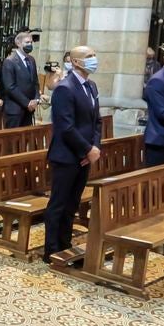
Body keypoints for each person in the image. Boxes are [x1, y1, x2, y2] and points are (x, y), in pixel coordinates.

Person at [43, 45, 103, 260]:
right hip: (66, 156)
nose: (94, 59)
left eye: (94, 55)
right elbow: (65, 127)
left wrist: (94, 147)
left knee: (72, 204)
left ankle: (64, 244)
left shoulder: (91, 86)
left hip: (84, 157)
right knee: (59, 204)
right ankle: (51, 249)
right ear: (76, 62)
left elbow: (97, 121)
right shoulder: (64, 88)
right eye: (89, 56)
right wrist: (86, 149)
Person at [0, 31, 39, 128]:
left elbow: (35, 82)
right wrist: (27, 103)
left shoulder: (31, 60)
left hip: (29, 109)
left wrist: (35, 99)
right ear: (18, 43)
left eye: (31, 42)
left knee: (25, 140)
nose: (30, 44)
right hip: (15, 109)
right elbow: (10, 87)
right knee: (13, 141)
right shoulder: (10, 61)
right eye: (27, 42)